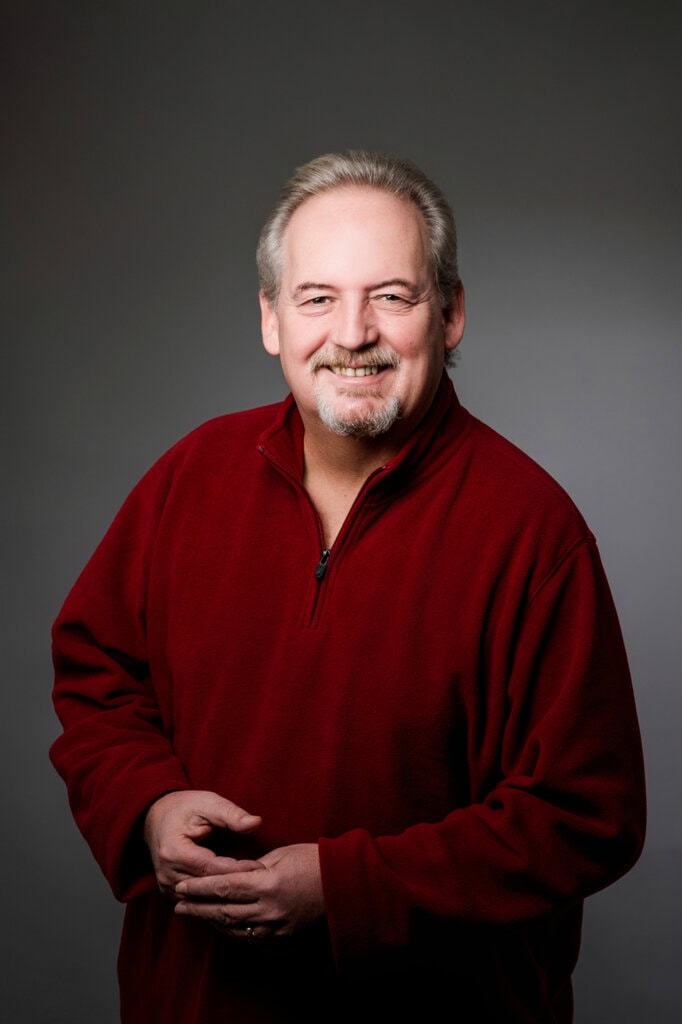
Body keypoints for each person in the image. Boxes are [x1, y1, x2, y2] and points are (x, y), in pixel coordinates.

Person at [50, 151, 645, 1022]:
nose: (353, 332)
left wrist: (346, 888)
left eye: (392, 296)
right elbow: (97, 676)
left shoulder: (533, 531)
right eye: (317, 298)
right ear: (271, 319)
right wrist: (149, 803)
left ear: (451, 314)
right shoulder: (190, 477)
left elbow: (586, 815)